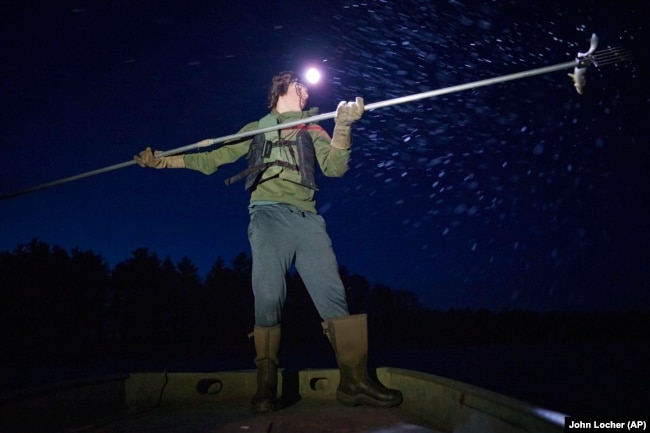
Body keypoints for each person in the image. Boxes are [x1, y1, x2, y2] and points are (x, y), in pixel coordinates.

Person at [134, 71, 402, 413]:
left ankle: (354, 382)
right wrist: (162, 161)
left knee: (333, 297)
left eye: (307, 89)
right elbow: (210, 159)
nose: (306, 93)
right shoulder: (256, 128)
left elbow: (335, 168)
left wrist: (344, 126)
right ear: (281, 90)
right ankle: (266, 384)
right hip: (267, 215)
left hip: (307, 220)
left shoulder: (315, 125)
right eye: (300, 87)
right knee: (269, 294)